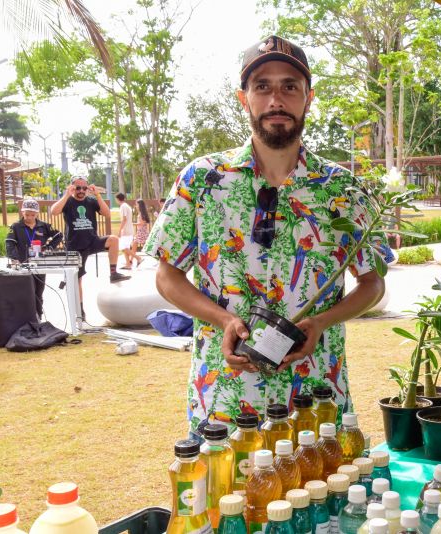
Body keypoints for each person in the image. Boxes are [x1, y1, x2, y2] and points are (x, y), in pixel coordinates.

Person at [145, 35, 386, 436]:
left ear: (309, 97)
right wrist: (222, 319)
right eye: (263, 86)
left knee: (320, 498)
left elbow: (372, 284)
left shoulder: (342, 189)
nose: (277, 99)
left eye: (290, 86)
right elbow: (167, 276)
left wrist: (321, 322)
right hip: (223, 399)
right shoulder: (202, 179)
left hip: (315, 399)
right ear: (244, 99)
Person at [50, 177, 130, 305]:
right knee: (77, 279)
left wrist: (98, 195)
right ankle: (79, 309)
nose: (81, 191)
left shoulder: (91, 201)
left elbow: (107, 213)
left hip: (92, 241)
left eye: (84, 188)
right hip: (75, 246)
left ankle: (113, 273)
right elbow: (53, 211)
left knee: (113, 240)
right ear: (72, 188)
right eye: (77, 188)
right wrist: (66, 194)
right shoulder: (68, 201)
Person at [5, 197, 63, 318]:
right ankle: (26, 317)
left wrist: (49, 247)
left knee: (38, 292)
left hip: (40, 263)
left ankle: (38, 316)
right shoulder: (15, 226)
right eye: (27, 215)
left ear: (37, 213)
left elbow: (59, 235)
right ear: (22, 212)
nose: (29, 218)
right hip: (23, 264)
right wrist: (14, 258)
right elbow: (9, 243)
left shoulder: (44, 226)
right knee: (25, 292)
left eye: (32, 215)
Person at [116, 193, 135, 269]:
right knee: (125, 248)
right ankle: (128, 264)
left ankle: (138, 258)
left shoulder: (123, 206)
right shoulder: (127, 206)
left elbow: (124, 219)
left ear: (117, 199)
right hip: (129, 229)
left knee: (123, 248)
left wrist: (120, 230)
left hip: (126, 230)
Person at [129, 199, 150, 268]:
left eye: (137, 204)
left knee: (146, 247)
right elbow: (144, 223)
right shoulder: (143, 213)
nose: (136, 205)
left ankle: (132, 260)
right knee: (135, 246)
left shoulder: (141, 213)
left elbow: (141, 223)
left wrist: (132, 224)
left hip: (141, 232)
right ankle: (131, 260)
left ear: (140, 205)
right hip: (142, 231)